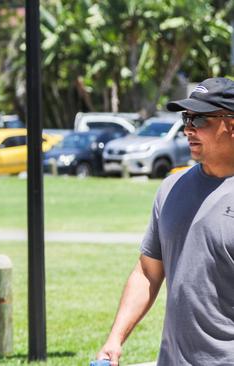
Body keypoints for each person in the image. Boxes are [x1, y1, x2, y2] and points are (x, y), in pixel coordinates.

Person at [97, 77, 234, 365]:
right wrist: (115, 338)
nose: (188, 129)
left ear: (231, 124)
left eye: (200, 119)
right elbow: (148, 272)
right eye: (187, 118)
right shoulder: (172, 189)